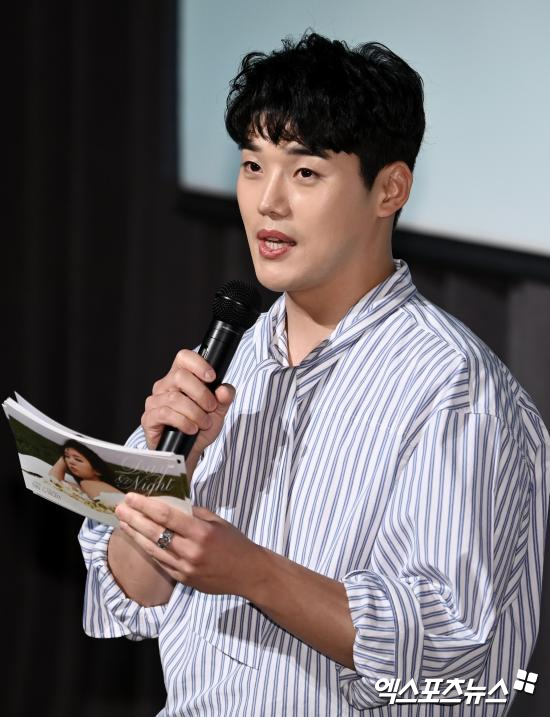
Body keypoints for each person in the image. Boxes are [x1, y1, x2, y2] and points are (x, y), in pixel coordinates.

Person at [79, 32, 549, 716]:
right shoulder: (230, 356)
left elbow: (449, 651)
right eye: (252, 165)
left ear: (389, 188)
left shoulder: (455, 387)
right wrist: (162, 472)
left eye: (304, 173)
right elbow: (132, 596)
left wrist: (253, 572)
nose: (267, 202)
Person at [50, 439, 121, 501]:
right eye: (67, 457)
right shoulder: (80, 487)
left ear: (97, 470)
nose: (70, 461)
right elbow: (53, 480)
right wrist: (65, 455)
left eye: (78, 460)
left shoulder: (87, 484)